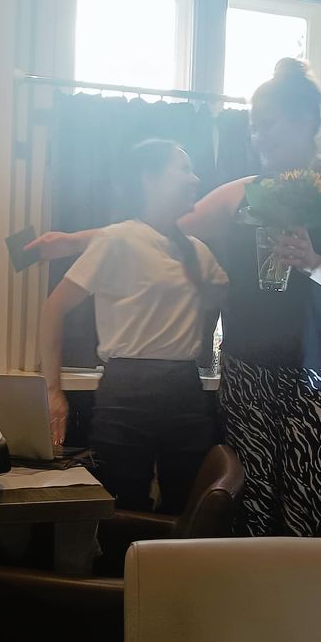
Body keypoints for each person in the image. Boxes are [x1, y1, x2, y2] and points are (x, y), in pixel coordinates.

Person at [29, 60, 321, 535]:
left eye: (268, 124)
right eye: (253, 127)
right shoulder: (242, 193)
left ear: (306, 120)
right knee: (249, 510)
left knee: (311, 510)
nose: (258, 137)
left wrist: (316, 264)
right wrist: (73, 241)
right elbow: (156, 228)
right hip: (250, 375)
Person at [39, 139, 228, 513]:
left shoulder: (198, 251)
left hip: (186, 389)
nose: (196, 179)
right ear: (149, 179)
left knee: (187, 507)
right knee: (121, 508)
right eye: (184, 169)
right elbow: (53, 309)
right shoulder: (115, 240)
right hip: (126, 391)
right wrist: (53, 391)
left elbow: (227, 301)